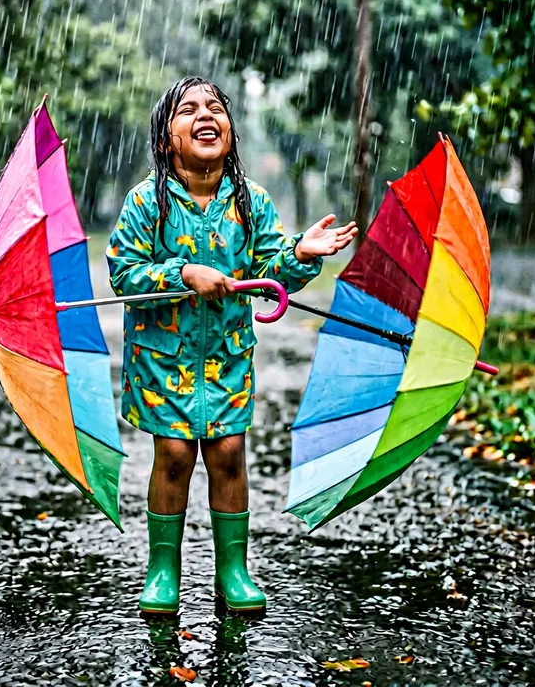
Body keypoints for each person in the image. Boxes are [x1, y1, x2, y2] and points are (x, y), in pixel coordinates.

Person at [106, 76, 357, 614]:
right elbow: (125, 276)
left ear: (230, 131)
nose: (205, 115)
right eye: (188, 109)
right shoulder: (146, 202)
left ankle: (233, 570)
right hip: (162, 359)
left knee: (228, 455)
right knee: (172, 455)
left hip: (226, 356)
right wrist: (182, 272)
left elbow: (271, 275)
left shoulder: (252, 201)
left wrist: (303, 255)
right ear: (166, 138)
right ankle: (163, 569)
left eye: (215, 107)